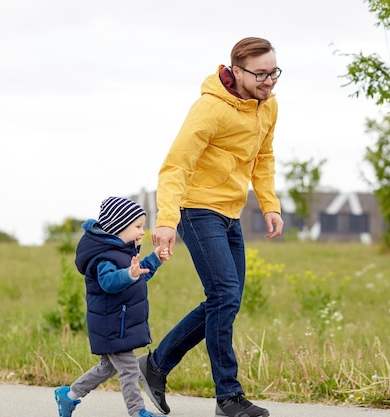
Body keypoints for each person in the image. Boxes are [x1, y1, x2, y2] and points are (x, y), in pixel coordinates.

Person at [137, 37, 284, 417]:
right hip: (196, 209)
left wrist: (270, 204)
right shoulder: (209, 109)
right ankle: (228, 397)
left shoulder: (267, 109)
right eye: (261, 74)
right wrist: (166, 220)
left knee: (226, 300)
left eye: (274, 73)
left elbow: (263, 158)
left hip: (230, 213)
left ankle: (156, 364)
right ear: (236, 71)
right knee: (225, 296)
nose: (269, 81)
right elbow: (176, 166)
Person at [54, 196, 170, 417]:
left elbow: (139, 275)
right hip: (111, 323)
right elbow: (110, 282)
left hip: (119, 322)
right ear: (118, 227)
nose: (142, 231)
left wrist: (154, 259)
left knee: (107, 367)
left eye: (143, 227)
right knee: (129, 368)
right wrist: (129, 274)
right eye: (137, 226)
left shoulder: (124, 252)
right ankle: (137, 411)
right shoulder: (104, 258)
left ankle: (68, 395)